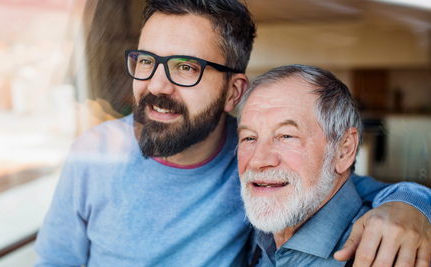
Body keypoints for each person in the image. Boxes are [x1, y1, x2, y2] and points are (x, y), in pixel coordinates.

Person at [34, 1, 431, 266]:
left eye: (186, 67)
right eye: (146, 61)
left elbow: (344, 185)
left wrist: (414, 205)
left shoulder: (252, 163)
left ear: (233, 92)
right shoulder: (92, 155)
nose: (156, 86)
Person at [238, 64, 389, 266]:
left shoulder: (388, 255)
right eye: (249, 138)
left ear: (343, 150)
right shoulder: (258, 239)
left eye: (286, 135)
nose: (258, 160)